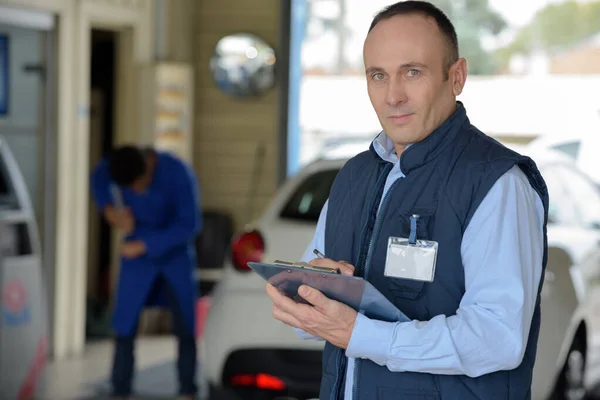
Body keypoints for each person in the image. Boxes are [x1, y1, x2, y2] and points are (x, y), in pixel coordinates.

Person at [265, 1, 549, 399]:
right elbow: (319, 322)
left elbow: (497, 337)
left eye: (412, 72)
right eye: (378, 75)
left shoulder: (496, 182)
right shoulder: (353, 177)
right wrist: (308, 296)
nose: (393, 95)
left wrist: (362, 334)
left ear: (457, 76)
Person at [90, 145, 202, 400]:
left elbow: (191, 224)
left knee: (185, 323)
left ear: (149, 168)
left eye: (139, 186)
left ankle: (188, 389)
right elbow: (98, 178)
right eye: (130, 190)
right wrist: (110, 212)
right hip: (136, 254)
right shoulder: (117, 166)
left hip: (174, 253)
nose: (137, 192)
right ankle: (120, 389)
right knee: (124, 323)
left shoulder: (178, 172)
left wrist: (144, 246)